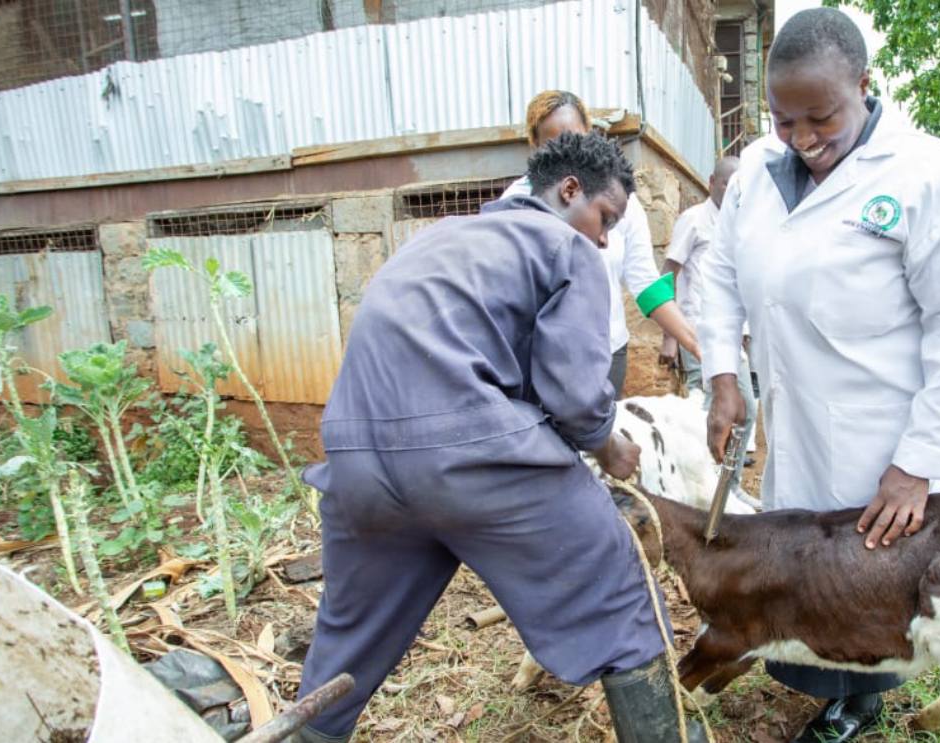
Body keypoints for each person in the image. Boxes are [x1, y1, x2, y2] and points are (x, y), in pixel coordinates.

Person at [291, 133, 706, 743]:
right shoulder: (567, 247)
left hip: (357, 465)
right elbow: (572, 395)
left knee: (353, 631)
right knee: (617, 576)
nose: (603, 239)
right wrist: (608, 445)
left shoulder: (434, 239)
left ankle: (308, 734)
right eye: (605, 219)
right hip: (470, 453)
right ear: (569, 191)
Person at [698, 8, 940, 742]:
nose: (803, 139)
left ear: (865, 85)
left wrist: (919, 462)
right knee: (803, 562)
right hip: (795, 418)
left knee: (870, 576)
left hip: (881, 433)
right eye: (783, 119)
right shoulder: (755, 181)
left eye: (821, 117)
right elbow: (720, 274)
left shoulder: (933, 174)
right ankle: (825, 678)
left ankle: (861, 700)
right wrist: (722, 374)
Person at [503, 90, 701, 397]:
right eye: (555, 144)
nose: (569, 154)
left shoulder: (617, 198)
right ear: (537, 147)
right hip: (542, 362)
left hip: (607, 352)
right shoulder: (517, 203)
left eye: (576, 139)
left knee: (602, 441)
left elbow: (645, 283)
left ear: (590, 135)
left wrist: (693, 341)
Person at [657, 156, 758, 482]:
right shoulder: (694, 220)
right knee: (709, 409)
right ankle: (704, 484)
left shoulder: (739, 223)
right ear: (712, 181)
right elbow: (668, 274)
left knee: (742, 410)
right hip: (695, 331)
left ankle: (725, 487)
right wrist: (670, 337)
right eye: (727, 183)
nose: (732, 191)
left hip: (728, 333)